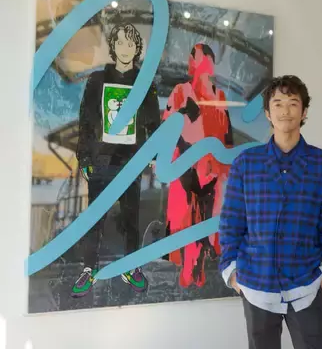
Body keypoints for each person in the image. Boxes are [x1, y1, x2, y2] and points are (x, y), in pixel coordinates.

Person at [218, 75, 322, 349]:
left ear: (304, 111)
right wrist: (232, 273)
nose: (285, 111)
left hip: (306, 284)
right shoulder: (246, 164)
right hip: (256, 284)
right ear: (268, 113)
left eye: (292, 103)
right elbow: (231, 223)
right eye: (277, 104)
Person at [72, 23, 161, 298]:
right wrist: (84, 157)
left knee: (131, 218)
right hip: (101, 160)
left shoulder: (145, 83)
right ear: (113, 46)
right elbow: (86, 121)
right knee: (94, 218)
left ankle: (130, 267)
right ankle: (89, 269)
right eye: (120, 42)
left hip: (130, 160)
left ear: (137, 49)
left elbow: (153, 122)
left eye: (130, 44)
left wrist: (154, 155)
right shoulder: (97, 80)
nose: (125, 48)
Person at [163, 42, 233, 287]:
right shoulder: (181, 91)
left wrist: (226, 167)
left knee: (207, 219)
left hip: (213, 170)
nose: (201, 63)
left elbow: (227, 135)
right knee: (186, 217)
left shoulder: (220, 97)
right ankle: (188, 268)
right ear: (191, 63)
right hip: (187, 164)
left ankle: (198, 267)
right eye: (197, 58)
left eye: (206, 59)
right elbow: (168, 124)